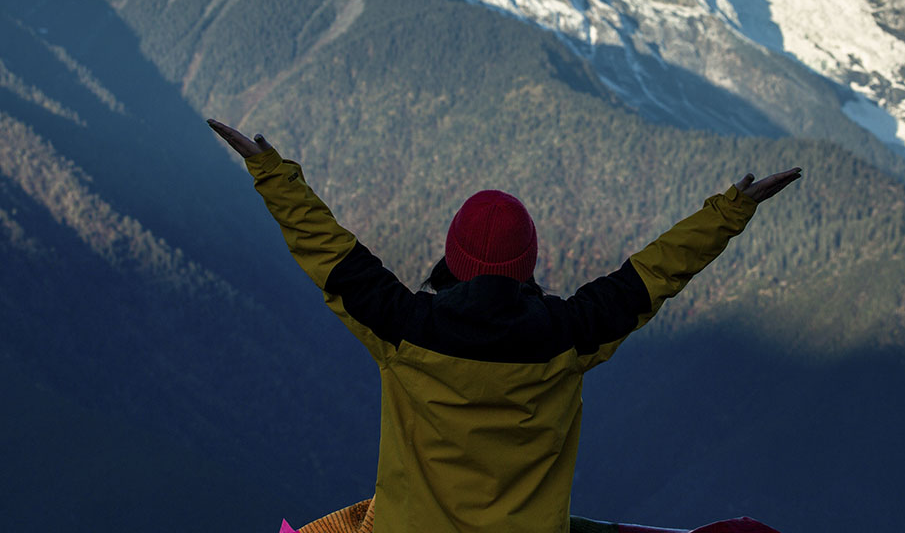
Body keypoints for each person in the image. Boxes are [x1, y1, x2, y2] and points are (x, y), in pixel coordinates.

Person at [207, 119, 801, 533]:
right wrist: (730, 211)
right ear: (529, 266)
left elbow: (331, 254)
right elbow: (651, 275)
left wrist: (274, 176)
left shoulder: (402, 328)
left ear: (453, 260)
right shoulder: (571, 336)